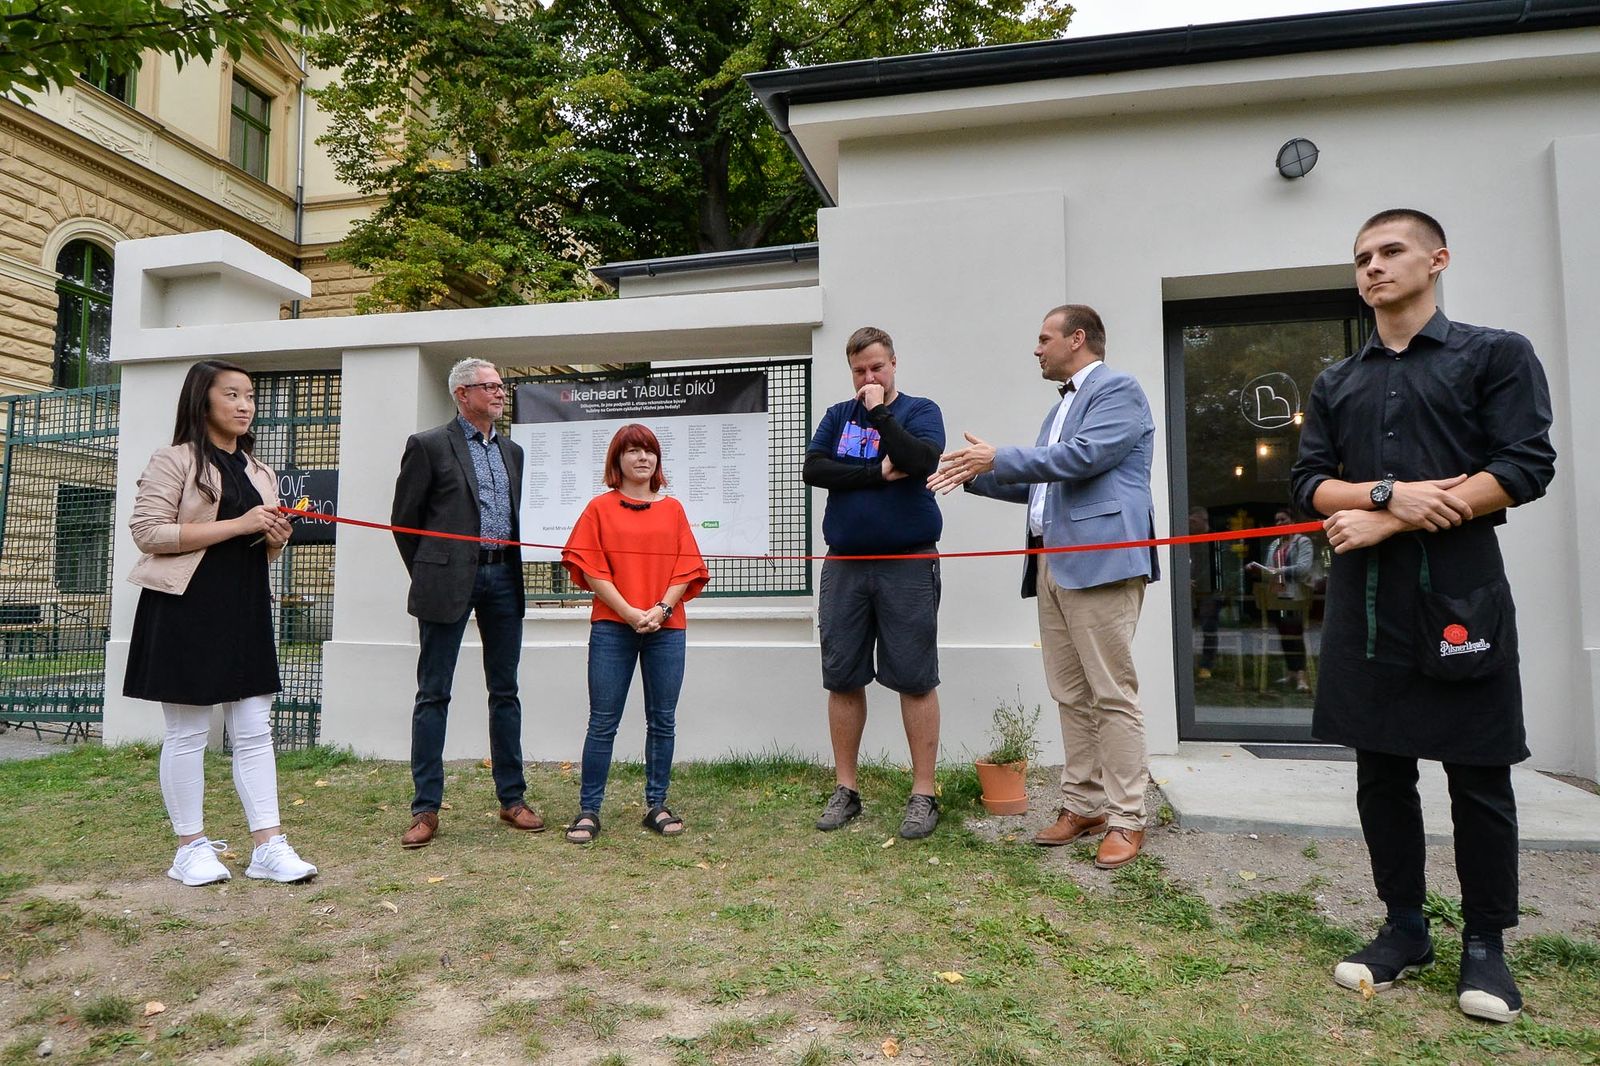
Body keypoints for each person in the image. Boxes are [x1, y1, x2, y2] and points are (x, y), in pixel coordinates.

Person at [1290, 208, 1556, 1024]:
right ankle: (1404, 928)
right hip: (1368, 606)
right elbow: (1308, 487)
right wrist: (1382, 494)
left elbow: (1524, 465)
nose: (1373, 267)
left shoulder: (1496, 354)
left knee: (1478, 776)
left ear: (1437, 259)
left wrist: (1392, 518)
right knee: (1382, 773)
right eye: (1362, 257)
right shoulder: (1337, 382)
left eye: (1391, 251)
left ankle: (1486, 945)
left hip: (1462, 594)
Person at [930, 304, 1159, 869]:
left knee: (1111, 693)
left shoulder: (1117, 390)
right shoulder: (1059, 409)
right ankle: (1084, 805)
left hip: (1100, 561)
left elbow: (1082, 459)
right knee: (1069, 692)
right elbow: (1044, 485)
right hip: (1053, 563)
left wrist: (999, 455)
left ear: (1077, 339)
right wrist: (977, 475)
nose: (1037, 349)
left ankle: (1128, 817)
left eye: (1044, 338)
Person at [125, 359, 317, 886]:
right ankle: (190, 849)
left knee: (256, 731)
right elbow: (148, 532)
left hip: (244, 606)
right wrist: (239, 523)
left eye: (250, 396)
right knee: (188, 733)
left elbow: (258, 550)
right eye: (232, 394)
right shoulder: (174, 460)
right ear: (202, 401)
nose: (244, 405)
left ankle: (268, 847)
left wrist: (274, 538)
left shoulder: (260, 470)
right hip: (184, 607)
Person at [391, 358, 543, 848]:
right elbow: (404, 521)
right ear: (462, 394)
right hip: (448, 582)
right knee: (433, 693)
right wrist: (433, 570)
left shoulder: (513, 451)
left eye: (502, 384)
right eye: (490, 386)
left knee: (506, 691)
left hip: (503, 579)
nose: (500, 393)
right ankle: (426, 809)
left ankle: (512, 799)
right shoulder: (430, 445)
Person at [803, 326, 946, 840]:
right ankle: (846, 789)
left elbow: (919, 460)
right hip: (844, 564)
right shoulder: (836, 417)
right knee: (842, 677)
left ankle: (924, 794)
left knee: (914, 676)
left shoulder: (919, 410)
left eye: (877, 367)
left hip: (907, 564)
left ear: (893, 364)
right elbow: (814, 468)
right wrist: (871, 474)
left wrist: (881, 411)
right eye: (860, 370)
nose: (868, 377)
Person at [560, 425, 708, 843]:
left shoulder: (674, 509)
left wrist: (661, 609)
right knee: (603, 721)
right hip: (612, 627)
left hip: (666, 627)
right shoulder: (598, 509)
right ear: (617, 460)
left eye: (650, 452)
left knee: (662, 720)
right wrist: (627, 612)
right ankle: (589, 811)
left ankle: (656, 804)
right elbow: (590, 566)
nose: (643, 458)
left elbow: (687, 566)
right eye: (633, 451)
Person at [1246, 508, 1316, 692]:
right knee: (1283, 631)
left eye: (1283, 520)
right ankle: (1292, 672)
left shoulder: (1303, 542)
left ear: (1293, 521)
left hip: (1297, 595)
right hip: (1277, 594)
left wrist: (1280, 571)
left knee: (1295, 632)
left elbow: (1303, 568)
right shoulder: (1274, 544)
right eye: (1276, 521)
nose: (1279, 524)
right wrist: (1258, 569)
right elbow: (1269, 570)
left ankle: (1302, 675)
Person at [1189, 506, 1221, 681]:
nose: (1190, 525)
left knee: (1209, 629)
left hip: (1210, 592)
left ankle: (1206, 665)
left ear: (1203, 520)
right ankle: (1189, 664)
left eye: (1193, 521)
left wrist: (1196, 581)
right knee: (1186, 627)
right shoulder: (1190, 539)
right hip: (1190, 591)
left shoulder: (1213, 540)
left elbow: (1213, 569)